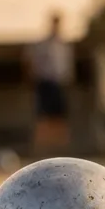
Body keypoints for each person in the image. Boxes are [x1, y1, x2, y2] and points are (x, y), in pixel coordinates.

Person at [24, 11, 74, 153]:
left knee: (60, 116)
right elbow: (30, 61)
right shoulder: (42, 44)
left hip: (60, 83)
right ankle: (41, 148)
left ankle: (62, 148)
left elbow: (67, 66)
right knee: (43, 116)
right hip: (45, 82)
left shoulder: (63, 45)